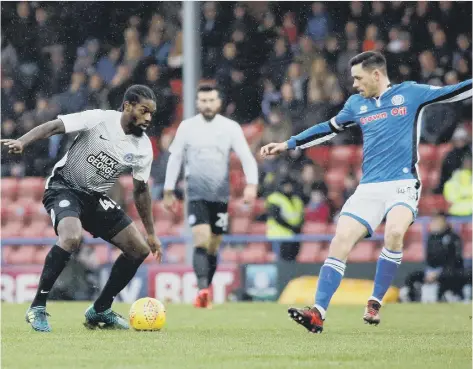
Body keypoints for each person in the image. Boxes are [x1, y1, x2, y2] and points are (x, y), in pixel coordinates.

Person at [260, 51, 472, 333]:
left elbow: (452, 92)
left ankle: (375, 301)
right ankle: (318, 313)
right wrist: (289, 143)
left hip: (402, 184)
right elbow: (329, 128)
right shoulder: (356, 104)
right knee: (340, 241)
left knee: (395, 233)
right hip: (369, 188)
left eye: (358, 78)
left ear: (376, 74)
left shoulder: (410, 93)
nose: (355, 84)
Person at [1, 85, 162, 332]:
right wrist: (23, 142)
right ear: (127, 105)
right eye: (144, 111)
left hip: (94, 198)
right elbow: (54, 126)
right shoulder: (99, 119)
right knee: (71, 237)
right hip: (63, 187)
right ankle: (37, 307)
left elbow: (141, 191)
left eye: (152, 113)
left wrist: (151, 233)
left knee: (138, 249)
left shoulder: (143, 148)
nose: (149, 118)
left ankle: (100, 310)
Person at [163, 85, 258, 308]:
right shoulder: (187, 127)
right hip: (195, 193)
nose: (207, 104)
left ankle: (206, 289)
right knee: (202, 239)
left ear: (218, 103)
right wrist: (168, 190)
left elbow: (246, 157)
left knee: (214, 244)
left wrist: (251, 185)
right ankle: (202, 289)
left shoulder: (230, 127)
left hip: (220, 195)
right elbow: (175, 158)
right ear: (197, 103)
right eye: (203, 100)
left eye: (211, 100)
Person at [400, 212, 470, 303]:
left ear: (445, 223)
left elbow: (455, 260)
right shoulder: (431, 238)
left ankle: (450, 294)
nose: (435, 224)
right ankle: (411, 295)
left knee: (452, 275)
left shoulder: (454, 238)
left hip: (449, 270)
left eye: (438, 222)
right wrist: (430, 272)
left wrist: (438, 273)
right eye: (434, 221)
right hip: (432, 270)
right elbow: (429, 259)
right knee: (412, 276)